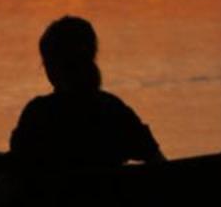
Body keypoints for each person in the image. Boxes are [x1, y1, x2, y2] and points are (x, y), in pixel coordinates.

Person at [0, 16, 160, 207]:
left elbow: (12, 176)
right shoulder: (115, 109)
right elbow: (158, 164)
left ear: (52, 66)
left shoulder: (41, 112)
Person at [9, 16, 162, 169]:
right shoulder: (115, 111)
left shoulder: (38, 113)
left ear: (51, 69)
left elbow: (14, 168)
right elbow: (159, 164)